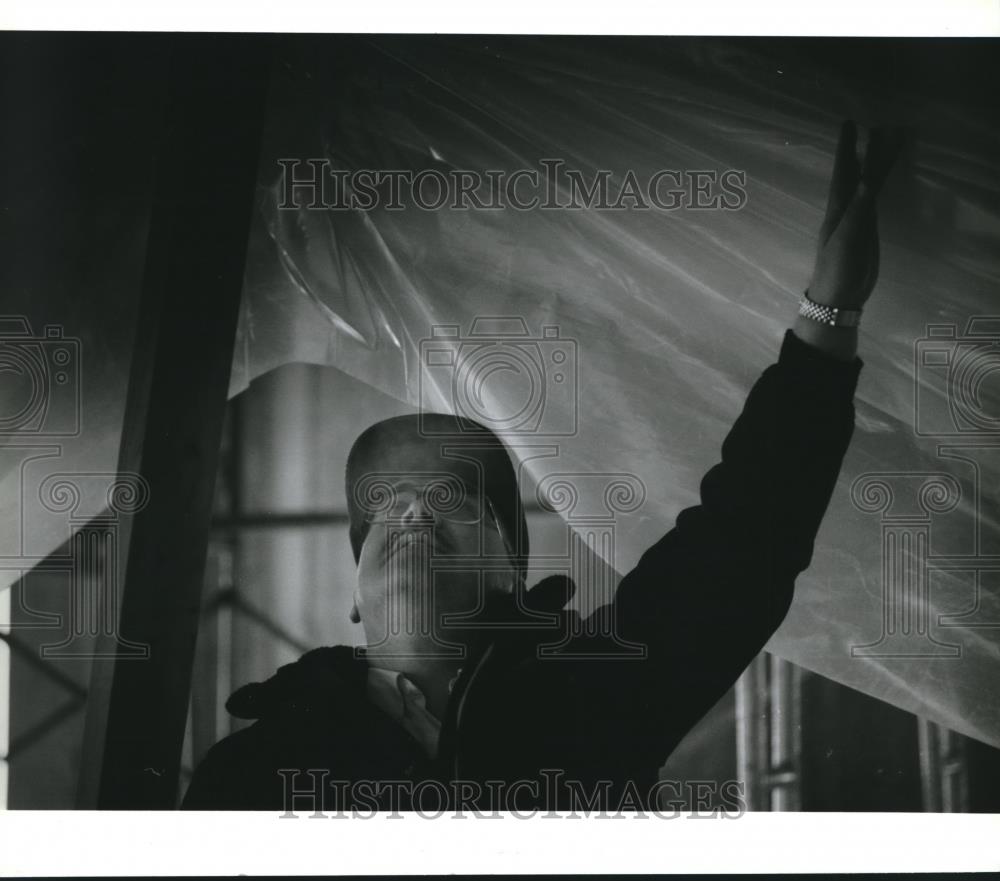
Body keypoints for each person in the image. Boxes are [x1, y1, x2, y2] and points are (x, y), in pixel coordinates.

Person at [182, 120, 900, 812]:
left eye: (448, 495)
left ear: (509, 571)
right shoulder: (249, 775)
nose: (411, 510)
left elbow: (742, 542)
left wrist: (829, 312)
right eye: (385, 501)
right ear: (355, 596)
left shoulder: (598, 699)